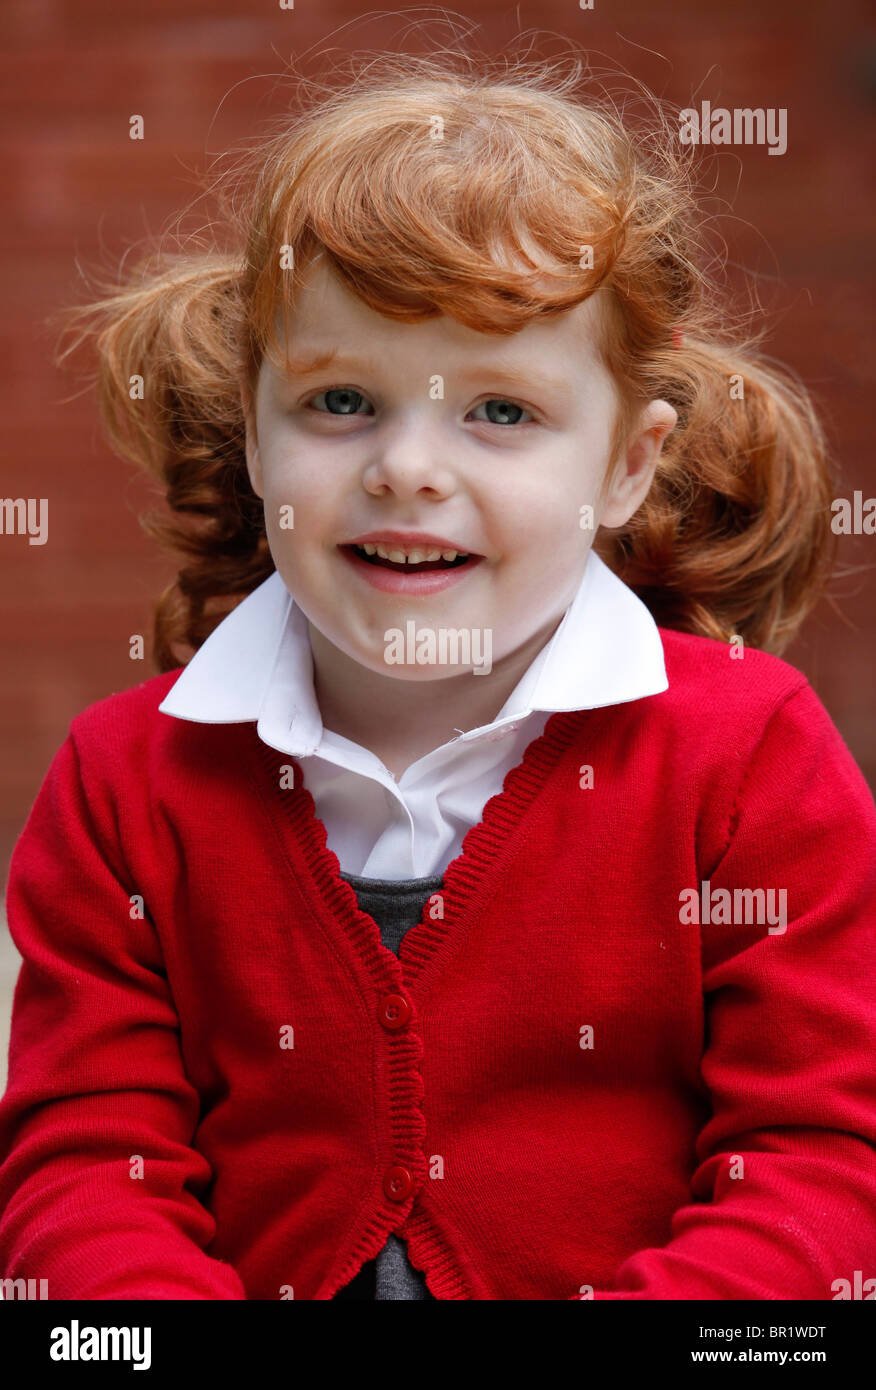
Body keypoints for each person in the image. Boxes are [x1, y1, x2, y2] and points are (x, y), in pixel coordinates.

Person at [0, 49, 874, 1301]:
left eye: (501, 412)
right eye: (342, 399)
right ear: (252, 432)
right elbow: (89, 1167)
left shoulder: (748, 756)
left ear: (628, 463)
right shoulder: (126, 781)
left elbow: (819, 1162)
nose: (408, 467)